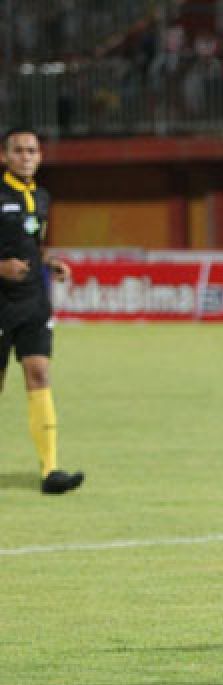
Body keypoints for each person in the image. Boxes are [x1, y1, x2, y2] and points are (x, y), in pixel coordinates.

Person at [0, 127, 84, 494]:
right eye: (18, 151)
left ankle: (51, 471)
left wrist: (50, 262)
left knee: (39, 373)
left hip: (33, 299)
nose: (26, 156)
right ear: (4, 156)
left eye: (32, 150)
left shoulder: (42, 197)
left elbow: (34, 243)